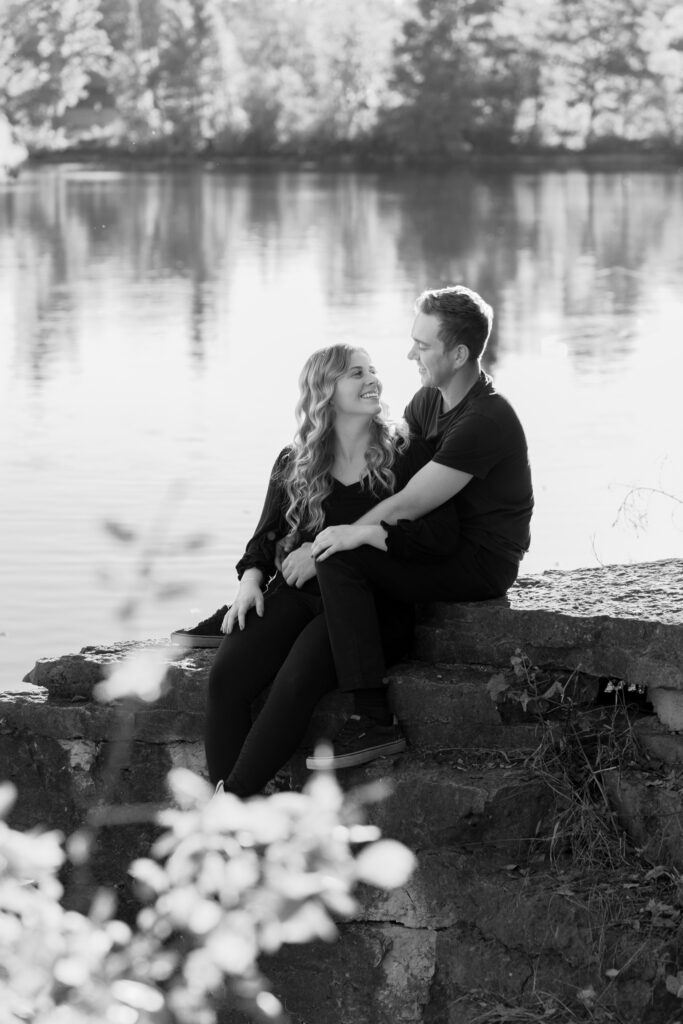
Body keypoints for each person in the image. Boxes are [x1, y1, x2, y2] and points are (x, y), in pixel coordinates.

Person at [303, 285, 534, 770]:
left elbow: (409, 502)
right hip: (435, 539)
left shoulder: (486, 419)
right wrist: (311, 535)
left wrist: (330, 543)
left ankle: (373, 720)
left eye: (423, 346)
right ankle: (270, 595)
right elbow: (389, 475)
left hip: (478, 561)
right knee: (334, 537)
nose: (410, 354)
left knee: (342, 558)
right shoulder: (429, 400)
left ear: (459, 354)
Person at [195, 344, 437, 797]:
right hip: (300, 596)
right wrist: (250, 581)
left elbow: (429, 539)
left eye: (372, 371)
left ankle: (229, 806)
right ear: (325, 390)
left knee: (295, 679)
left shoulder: (406, 453)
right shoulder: (296, 460)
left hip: (369, 606)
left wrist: (343, 538)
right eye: (356, 373)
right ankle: (232, 814)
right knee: (226, 678)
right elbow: (264, 540)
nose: (372, 380)